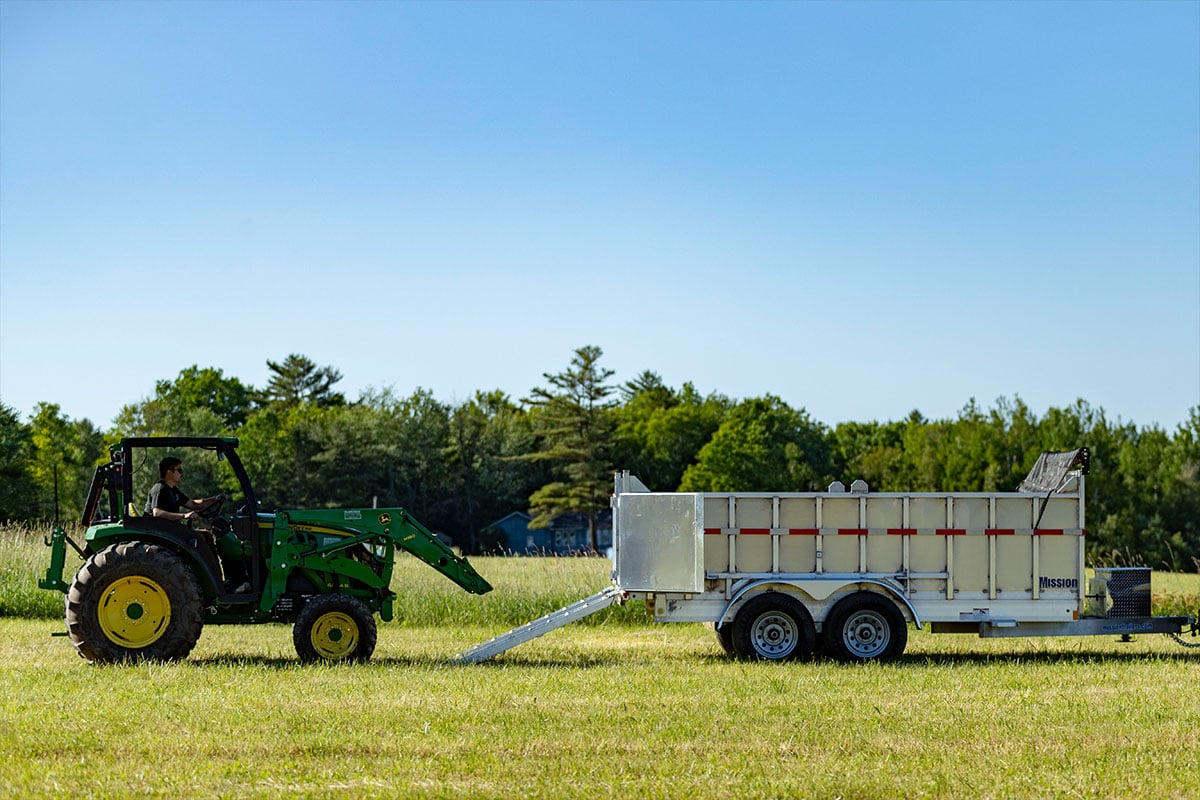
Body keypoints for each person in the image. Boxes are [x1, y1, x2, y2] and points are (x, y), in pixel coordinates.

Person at [145, 456, 250, 593]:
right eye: (179, 470)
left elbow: (193, 504)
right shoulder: (160, 489)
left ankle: (224, 581)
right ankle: (217, 584)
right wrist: (184, 515)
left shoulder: (173, 490)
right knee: (201, 539)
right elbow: (157, 513)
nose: (182, 473)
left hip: (171, 530)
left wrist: (215, 499)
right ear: (169, 472)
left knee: (206, 535)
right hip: (162, 532)